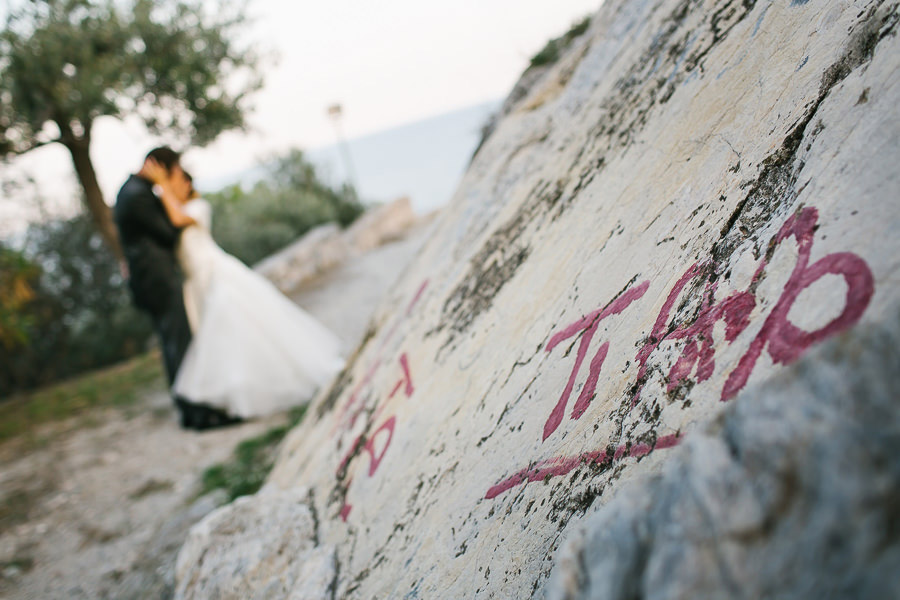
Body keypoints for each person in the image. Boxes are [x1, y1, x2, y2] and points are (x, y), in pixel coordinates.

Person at [142, 164, 345, 419]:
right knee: (215, 337)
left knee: (233, 328)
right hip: (195, 280)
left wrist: (161, 186)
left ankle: (256, 384)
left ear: (186, 184)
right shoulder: (179, 206)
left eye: (176, 183)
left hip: (215, 272)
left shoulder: (197, 207)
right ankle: (232, 387)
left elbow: (177, 220)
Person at [114, 147, 238, 430]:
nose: (172, 179)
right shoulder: (137, 194)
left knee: (175, 343)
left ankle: (192, 409)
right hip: (158, 278)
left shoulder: (135, 191)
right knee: (178, 344)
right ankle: (197, 413)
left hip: (154, 278)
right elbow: (169, 232)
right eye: (172, 172)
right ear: (157, 166)